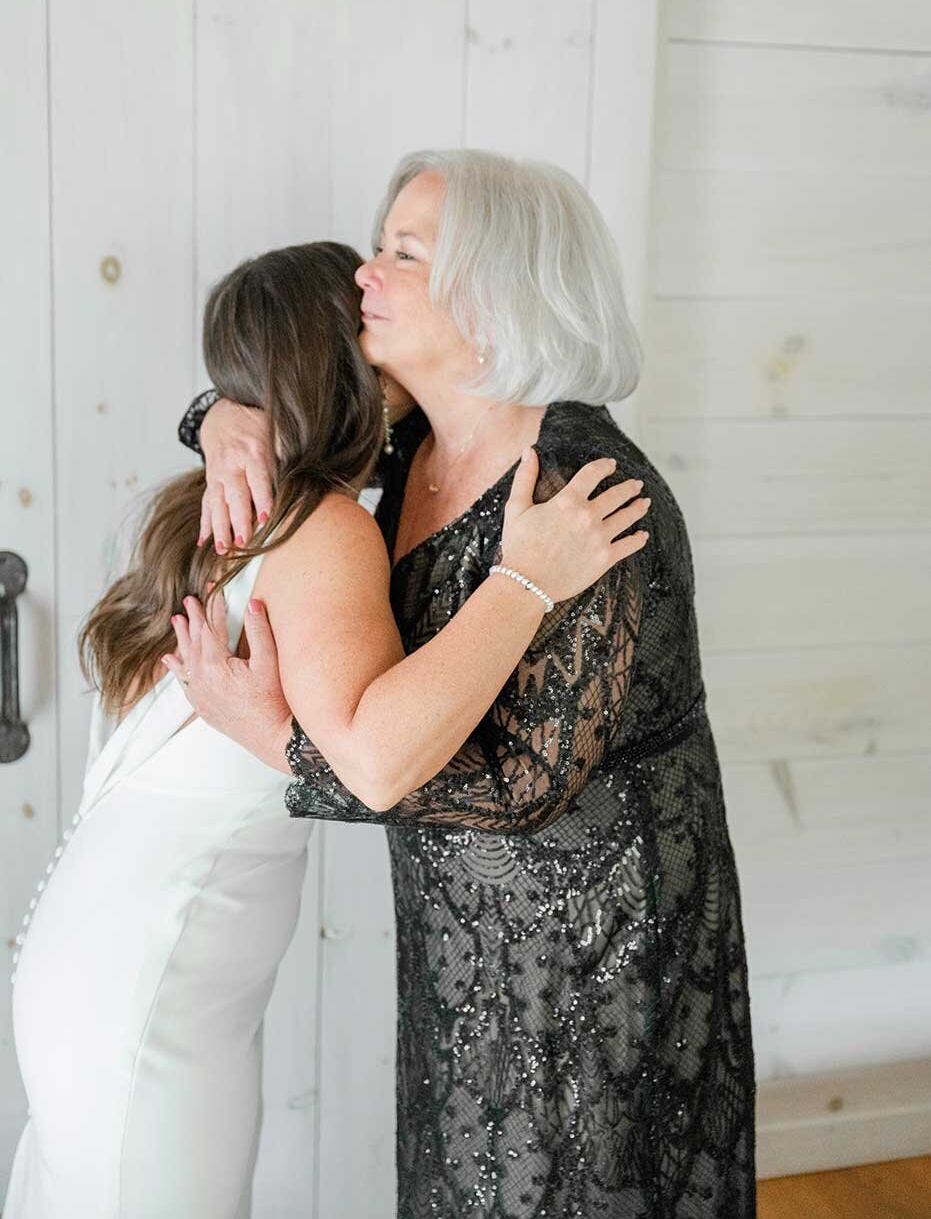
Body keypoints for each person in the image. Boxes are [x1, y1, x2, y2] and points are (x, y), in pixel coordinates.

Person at [171, 149, 756, 1218]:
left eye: (402, 252)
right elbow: (282, 376)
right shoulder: (408, 446)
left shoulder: (585, 492)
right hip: (463, 943)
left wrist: (282, 744)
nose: (363, 276)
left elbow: (515, 783)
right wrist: (226, 418)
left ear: (496, 292)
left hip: (597, 968)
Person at [5, 239, 642, 1219]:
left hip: (102, 955)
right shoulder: (323, 523)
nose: (390, 317)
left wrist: (222, 413)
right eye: (370, 313)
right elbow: (379, 759)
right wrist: (528, 581)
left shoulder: (205, 504)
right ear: (342, 361)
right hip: (150, 985)